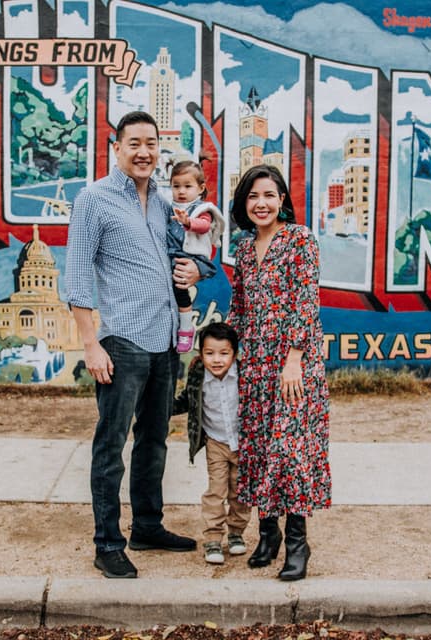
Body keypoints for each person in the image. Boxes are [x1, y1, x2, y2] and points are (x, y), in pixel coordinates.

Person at [65, 111, 201, 579]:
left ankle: (147, 525)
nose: (144, 152)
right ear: (116, 147)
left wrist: (195, 274)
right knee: (111, 443)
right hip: (121, 341)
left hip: (164, 342)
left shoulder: (163, 205)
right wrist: (90, 344)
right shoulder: (93, 200)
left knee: (154, 440)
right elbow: (78, 275)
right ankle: (107, 542)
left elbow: (183, 258)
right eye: (135, 143)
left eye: (152, 144)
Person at [227, 164, 331, 581]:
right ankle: (266, 536)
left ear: (282, 200)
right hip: (253, 364)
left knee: (291, 452)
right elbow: (240, 306)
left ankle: (297, 545)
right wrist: (220, 350)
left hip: (293, 365)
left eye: (269, 195)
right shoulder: (243, 247)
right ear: (244, 203)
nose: (261, 204)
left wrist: (293, 360)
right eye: (253, 197)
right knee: (258, 449)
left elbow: (306, 303)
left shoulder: (300, 240)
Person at [172, 322, 251, 564]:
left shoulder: (245, 375)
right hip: (216, 442)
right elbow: (187, 400)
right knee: (216, 491)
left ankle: (236, 533)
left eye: (224, 353)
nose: (217, 360)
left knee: (240, 492)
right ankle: (213, 538)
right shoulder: (198, 376)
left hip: (243, 443)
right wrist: (163, 408)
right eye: (209, 353)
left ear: (234, 354)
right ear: (200, 354)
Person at [168, 161, 225, 353]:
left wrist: (188, 222)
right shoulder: (170, 207)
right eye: (176, 186)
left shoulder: (202, 208)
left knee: (180, 289)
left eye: (187, 186)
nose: (181, 191)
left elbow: (204, 226)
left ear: (200, 188)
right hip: (174, 256)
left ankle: (186, 328)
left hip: (195, 257)